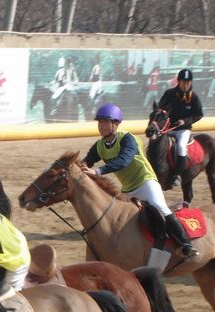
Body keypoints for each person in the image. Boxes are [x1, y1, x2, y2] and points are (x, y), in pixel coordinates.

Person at [82, 103, 198, 258]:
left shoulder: (128, 139)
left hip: (146, 182)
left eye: (105, 121)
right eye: (99, 122)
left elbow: (124, 160)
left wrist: (97, 171)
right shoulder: (100, 146)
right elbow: (85, 162)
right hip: (127, 189)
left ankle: (186, 245)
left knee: (160, 208)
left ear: (116, 124)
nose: (101, 125)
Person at [157, 69, 204, 188]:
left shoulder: (194, 97)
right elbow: (160, 108)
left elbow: (199, 114)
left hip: (184, 130)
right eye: (184, 82)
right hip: (168, 128)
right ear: (179, 81)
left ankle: (177, 174)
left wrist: (185, 121)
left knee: (181, 146)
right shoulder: (169, 94)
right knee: (157, 143)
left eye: (188, 82)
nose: (186, 84)